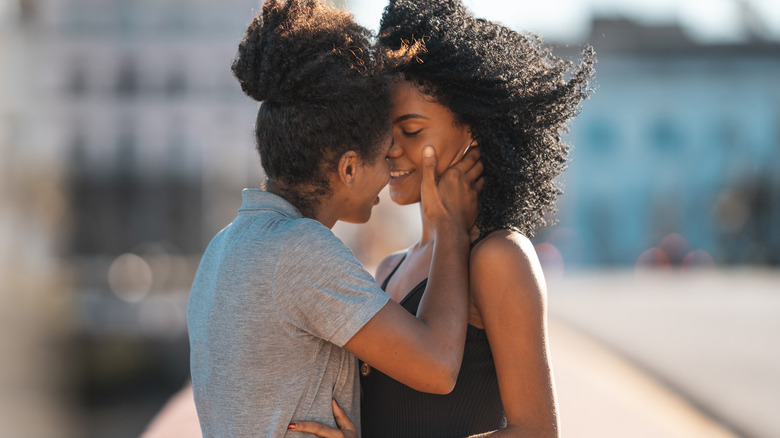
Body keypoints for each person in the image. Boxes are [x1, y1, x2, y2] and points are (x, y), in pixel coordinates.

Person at [292, 0, 594, 437]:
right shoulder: (390, 267)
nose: (391, 149)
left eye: (411, 131)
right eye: (384, 131)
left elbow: (538, 432)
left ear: (470, 131)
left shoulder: (498, 258)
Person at [185, 0, 484, 436]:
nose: (391, 171)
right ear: (348, 168)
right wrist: (452, 231)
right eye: (383, 156)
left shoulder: (221, 248)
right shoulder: (299, 250)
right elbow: (437, 367)